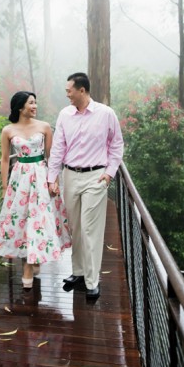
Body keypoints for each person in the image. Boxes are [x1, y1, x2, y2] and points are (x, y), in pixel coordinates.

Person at [48, 72, 124, 300]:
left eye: (69, 91)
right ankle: (78, 272)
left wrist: (109, 173)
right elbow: (58, 148)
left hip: (95, 177)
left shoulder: (106, 114)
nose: (67, 95)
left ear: (82, 90)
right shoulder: (65, 115)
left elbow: (117, 145)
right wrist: (52, 177)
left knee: (90, 229)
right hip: (70, 176)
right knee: (76, 227)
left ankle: (92, 281)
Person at [0, 90, 71, 289]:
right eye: (31, 103)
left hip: (41, 176)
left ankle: (31, 263)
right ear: (20, 107)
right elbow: (4, 159)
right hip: (20, 179)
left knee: (38, 219)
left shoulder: (44, 127)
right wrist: (4, 186)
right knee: (22, 218)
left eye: (35, 102)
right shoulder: (8, 130)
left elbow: (52, 157)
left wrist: (54, 181)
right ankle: (30, 260)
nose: (35, 106)